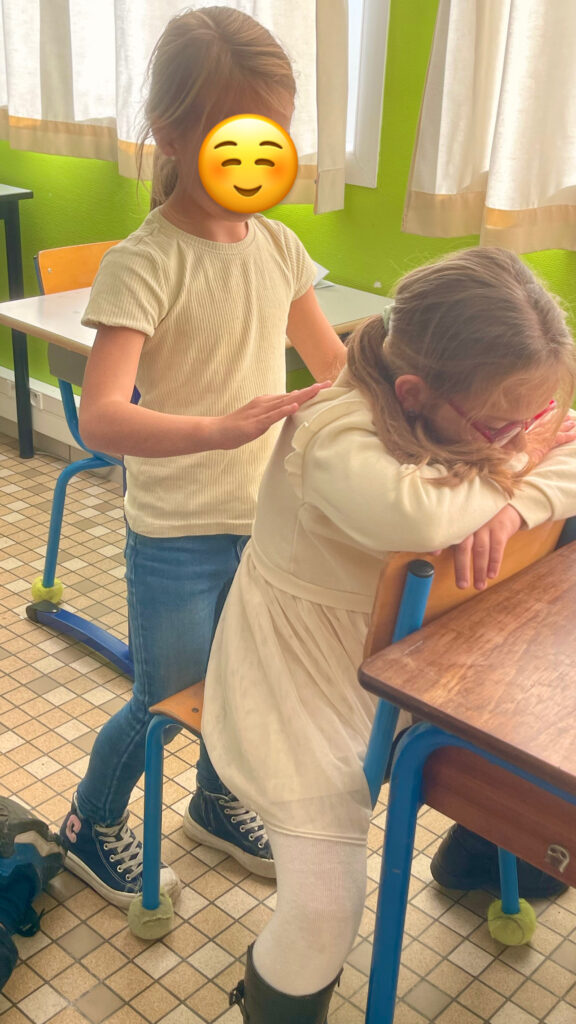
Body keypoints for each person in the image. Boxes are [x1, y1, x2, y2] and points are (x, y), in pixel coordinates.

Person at [201, 248, 576, 1022]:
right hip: (296, 677)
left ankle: (482, 849)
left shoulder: (476, 410)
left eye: (535, 417)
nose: (520, 436)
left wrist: (511, 501)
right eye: (503, 424)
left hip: (424, 665)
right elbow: (422, 515)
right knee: (325, 912)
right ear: (413, 394)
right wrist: (527, 460)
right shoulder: (331, 430)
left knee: (536, 749)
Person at [57, 6, 346, 908]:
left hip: (263, 525)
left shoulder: (281, 247)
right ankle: (90, 823)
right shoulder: (143, 262)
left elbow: (335, 369)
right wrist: (219, 428)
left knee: (240, 684)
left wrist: (418, 405)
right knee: (166, 701)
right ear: (173, 135)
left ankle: (216, 803)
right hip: (176, 533)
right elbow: (101, 419)